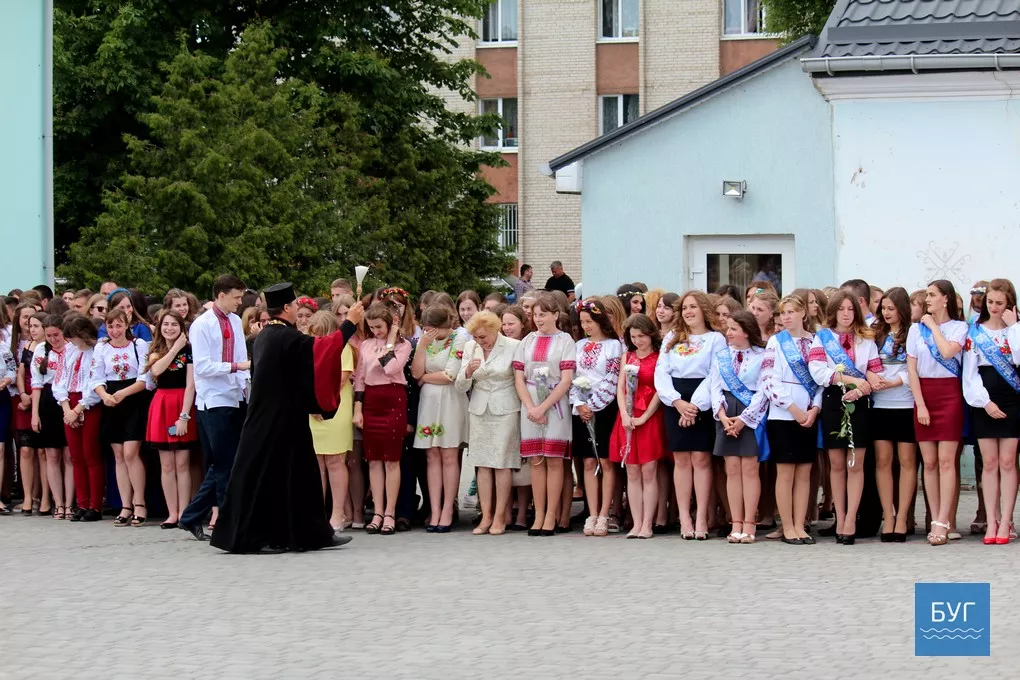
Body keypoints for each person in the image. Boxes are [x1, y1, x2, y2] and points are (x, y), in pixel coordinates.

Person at [209, 284, 363, 553]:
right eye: (294, 306)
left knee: (299, 478)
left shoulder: (269, 335)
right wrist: (350, 323)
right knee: (276, 478)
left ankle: (312, 534)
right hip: (276, 421)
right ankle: (262, 536)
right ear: (288, 308)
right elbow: (322, 350)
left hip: (280, 419)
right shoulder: (282, 337)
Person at [178, 275, 250, 541]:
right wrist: (235, 367)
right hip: (212, 400)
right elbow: (203, 367)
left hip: (234, 396)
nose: (240, 302)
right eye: (236, 297)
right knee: (222, 465)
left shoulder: (233, 321)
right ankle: (224, 523)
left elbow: (242, 358)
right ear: (221, 295)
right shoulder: (202, 325)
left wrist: (244, 385)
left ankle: (191, 516)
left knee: (227, 463)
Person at [809, 291, 882, 545]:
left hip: (859, 404)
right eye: (841, 309)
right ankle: (839, 517)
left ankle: (851, 518)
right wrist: (854, 381)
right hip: (833, 401)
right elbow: (818, 372)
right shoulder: (823, 337)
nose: (846, 314)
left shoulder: (867, 339)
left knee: (856, 464)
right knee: (837, 464)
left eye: (851, 309)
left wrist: (861, 389)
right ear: (833, 312)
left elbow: (875, 373)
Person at [655, 291, 725, 539]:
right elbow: (661, 372)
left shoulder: (716, 339)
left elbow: (715, 374)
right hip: (675, 399)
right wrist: (677, 402)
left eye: (693, 306)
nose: (688, 311)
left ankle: (702, 516)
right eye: (684, 307)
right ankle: (684, 517)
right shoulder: (672, 338)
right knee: (681, 460)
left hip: (702, 399)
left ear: (703, 309)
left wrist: (694, 406)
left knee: (701, 460)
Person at [695, 310, 769, 544]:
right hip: (726, 414)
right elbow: (715, 387)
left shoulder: (762, 356)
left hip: (750, 415)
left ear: (746, 331)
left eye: (733, 329)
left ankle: (749, 523)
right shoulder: (721, 356)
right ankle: (735, 521)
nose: (728, 333)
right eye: (727, 329)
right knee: (732, 471)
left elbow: (763, 389)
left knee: (749, 470)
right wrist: (723, 415)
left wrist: (744, 419)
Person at [907, 280, 967, 546]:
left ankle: (944, 520)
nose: (927, 299)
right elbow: (912, 369)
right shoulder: (914, 330)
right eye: (927, 295)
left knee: (946, 461)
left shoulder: (959, 327)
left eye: (932, 295)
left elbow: (946, 351)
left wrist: (933, 326)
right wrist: (920, 403)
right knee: (929, 463)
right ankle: (934, 517)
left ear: (946, 299)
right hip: (924, 395)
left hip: (949, 394)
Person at [514, 292, 576, 536]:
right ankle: (538, 514)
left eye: (543, 315)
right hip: (530, 403)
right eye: (536, 315)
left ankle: (552, 514)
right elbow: (519, 377)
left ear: (555, 315)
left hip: (555, 403)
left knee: (553, 459)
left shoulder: (565, 341)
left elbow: (566, 379)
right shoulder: (527, 340)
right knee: (536, 461)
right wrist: (531, 407)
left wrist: (543, 406)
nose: (538, 319)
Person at [964, 279, 1020, 544]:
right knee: (989, 463)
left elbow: (1018, 359)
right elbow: (969, 373)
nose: (995, 307)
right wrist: (984, 402)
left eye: (1000, 303)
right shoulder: (975, 332)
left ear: (1010, 304)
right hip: (984, 400)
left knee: (1008, 462)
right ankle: (992, 520)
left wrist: (1014, 328)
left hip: (1013, 399)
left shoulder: (1016, 329)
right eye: (991, 302)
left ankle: (1007, 522)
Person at [456, 311, 522, 535]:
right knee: (482, 464)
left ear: (495, 330)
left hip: (506, 409)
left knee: (502, 463)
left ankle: (501, 517)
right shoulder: (470, 347)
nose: (479, 341)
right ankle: (486, 516)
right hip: (479, 409)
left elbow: (520, 380)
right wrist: (467, 371)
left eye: (483, 337)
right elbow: (460, 385)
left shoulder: (514, 345)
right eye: (475, 337)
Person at [764, 295, 822, 545]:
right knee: (785, 473)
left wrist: (815, 408)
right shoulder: (775, 342)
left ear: (803, 314)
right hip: (783, 415)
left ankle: (800, 524)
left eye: (791, 312)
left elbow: (821, 378)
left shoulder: (815, 341)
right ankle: (787, 525)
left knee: (804, 472)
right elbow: (769, 380)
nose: (786, 317)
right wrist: (793, 408)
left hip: (809, 414)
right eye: (783, 313)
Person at [353, 302, 413, 536]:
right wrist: (358, 409)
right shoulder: (366, 344)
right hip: (371, 401)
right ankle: (377, 511)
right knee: (374, 460)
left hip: (393, 398)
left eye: (379, 326)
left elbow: (391, 368)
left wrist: (390, 341)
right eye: (372, 327)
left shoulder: (404, 345)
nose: (376, 331)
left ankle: (390, 511)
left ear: (389, 324)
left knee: (392, 460)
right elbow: (359, 378)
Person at [411, 305, 468, 532]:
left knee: (449, 454)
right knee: (431, 454)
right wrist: (422, 348)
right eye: (426, 330)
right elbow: (415, 373)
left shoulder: (459, 339)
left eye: (432, 329)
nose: (429, 333)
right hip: (429, 402)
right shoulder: (424, 342)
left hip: (450, 402)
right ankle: (433, 509)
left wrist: (426, 377)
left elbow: (450, 375)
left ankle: (447, 509)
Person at [92, 309, 152, 526]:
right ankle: (125, 504)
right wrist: (104, 395)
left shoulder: (139, 345)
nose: (115, 330)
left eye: (119, 325)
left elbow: (145, 378)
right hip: (112, 399)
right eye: (110, 326)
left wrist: (124, 393)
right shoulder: (101, 348)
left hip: (133, 397)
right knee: (118, 454)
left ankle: (139, 502)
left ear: (127, 325)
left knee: (130, 452)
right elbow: (96, 377)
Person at [610, 313, 665, 539]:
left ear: (651, 335)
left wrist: (644, 417)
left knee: (649, 470)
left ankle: (647, 524)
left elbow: (660, 390)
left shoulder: (660, 357)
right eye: (633, 336)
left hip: (649, 415)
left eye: (642, 336)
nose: (638, 341)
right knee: (632, 470)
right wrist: (624, 414)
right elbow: (621, 388)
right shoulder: (628, 357)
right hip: (628, 417)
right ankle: (636, 522)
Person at [569, 300, 621, 537]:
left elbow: (613, 376)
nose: (586, 326)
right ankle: (591, 512)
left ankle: (604, 512)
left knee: (607, 461)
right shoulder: (578, 345)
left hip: (606, 407)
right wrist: (579, 403)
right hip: (582, 408)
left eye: (590, 321)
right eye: (583, 323)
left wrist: (595, 404)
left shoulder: (614, 346)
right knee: (589, 462)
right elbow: (572, 375)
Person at [869, 287, 917, 541]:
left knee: (907, 462)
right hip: (880, 405)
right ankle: (888, 515)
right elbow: (864, 362)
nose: (886, 313)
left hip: (905, 403)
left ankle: (902, 517)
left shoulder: (913, 333)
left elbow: (917, 367)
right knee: (883, 462)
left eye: (891, 308)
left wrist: (896, 381)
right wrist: (872, 377)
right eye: (883, 308)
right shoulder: (875, 333)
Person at [143, 309, 199, 529]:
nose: (169, 328)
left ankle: (185, 511)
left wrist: (184, 416)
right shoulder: (155, 349)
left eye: (174, 325)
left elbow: (191, 384)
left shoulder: (190, 351)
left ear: (182, 328)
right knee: (166, 464)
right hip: (161, 404)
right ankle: (171, 512)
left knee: (182, 463)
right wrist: (174, 348)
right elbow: (156, 370)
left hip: (181, 403)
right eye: (165, 324)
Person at [304, 311, 356, 531]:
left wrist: (319, 403)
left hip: (335, 406)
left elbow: (341, 379)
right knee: (316, 463)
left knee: (335, 461)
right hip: (314, 409)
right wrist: (310, 403)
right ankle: (317, 514)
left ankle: (338, 514)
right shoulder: (309, 348)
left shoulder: (342, 347)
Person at [53, 315, 102, 521]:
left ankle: (95, 505)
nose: (70, 340)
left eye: (72, 336)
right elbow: (60, 380)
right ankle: (81, 503)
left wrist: (79, 408)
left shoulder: (96, 351)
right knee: (76, 456)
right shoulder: (69, 352)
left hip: (88, 403)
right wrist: (66, 407)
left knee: (91, 454)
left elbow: (95, 381)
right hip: (70, 403)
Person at [30, 314, 72, 520]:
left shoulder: (72, 349)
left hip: (68, 400)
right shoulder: (40, 350)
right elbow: (36, 384)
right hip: (48, 400)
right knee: (52, 455)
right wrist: (34, 414)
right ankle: (59, 503)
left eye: (57, 335)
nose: (54, 339)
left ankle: (70, 502)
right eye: (49, 336)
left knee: (68, 455)